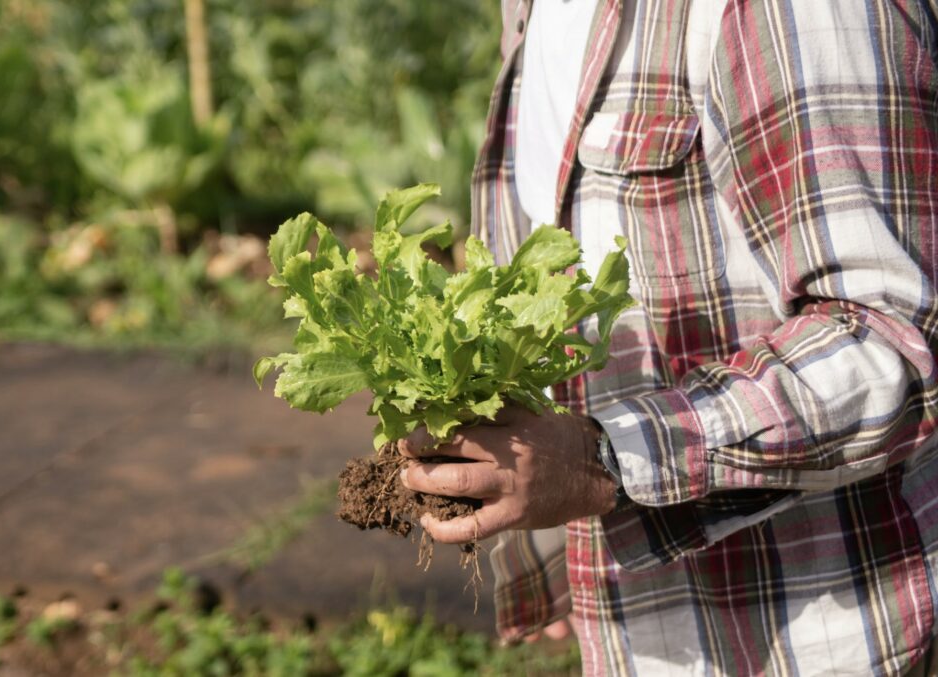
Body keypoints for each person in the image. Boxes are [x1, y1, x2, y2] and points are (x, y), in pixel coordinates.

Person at [397, 1, 938, 674]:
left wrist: (600, 462)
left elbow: (891, 341)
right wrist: (552, 556)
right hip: (643, 627)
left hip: (815, 637)